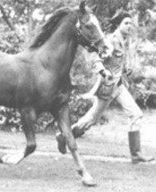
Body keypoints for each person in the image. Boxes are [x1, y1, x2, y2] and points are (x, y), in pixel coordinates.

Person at [56, 10, 154, 164]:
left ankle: (136, 154)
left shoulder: (124, 39)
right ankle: (63, 136)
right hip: (107, 87)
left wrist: (125, 70)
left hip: (119, 86)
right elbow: (96, 58)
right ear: (118, 25)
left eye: (130, 23)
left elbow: (117, 62)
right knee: (90, 120)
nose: (129, 26)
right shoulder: (110, 40)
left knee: (136, 114)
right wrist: (103, 71)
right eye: (126, 23)